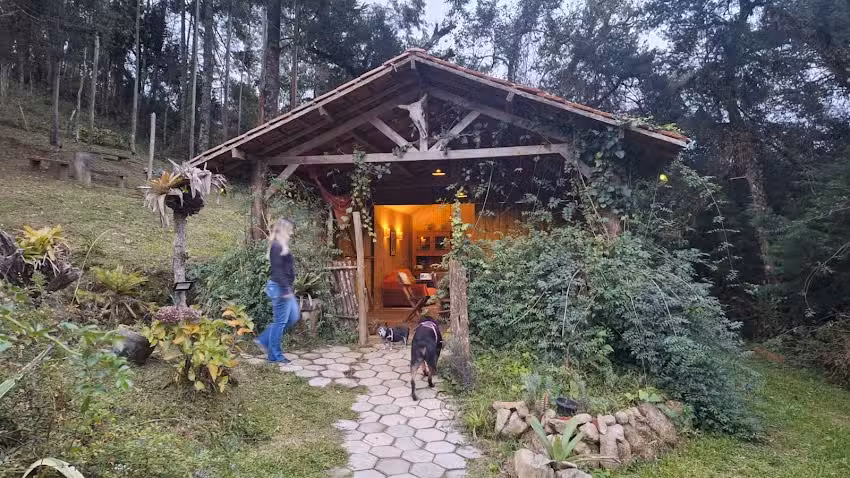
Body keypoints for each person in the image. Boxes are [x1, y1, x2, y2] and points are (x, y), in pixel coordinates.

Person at [254, 218, 299, 363]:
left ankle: (264, 340)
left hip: (284, 287)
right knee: (280, 322)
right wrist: (286, 289)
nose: (291, 232)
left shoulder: (281, 246)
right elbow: (278, 271)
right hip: (280, 288)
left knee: (293, 317)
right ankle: (275, 356)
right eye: (290, 229)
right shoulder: (276, 247)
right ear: (284, 230)